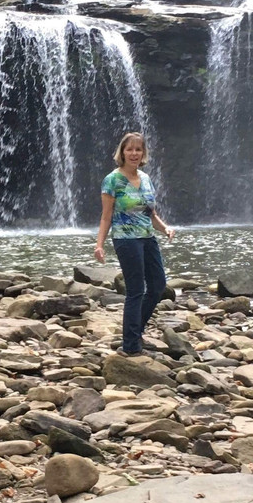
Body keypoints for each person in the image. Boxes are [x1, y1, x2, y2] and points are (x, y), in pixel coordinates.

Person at [94, 131, 175, 356]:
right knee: (136, 290)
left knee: (158, 285)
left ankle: (135, 331)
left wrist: (165, 227)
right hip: (126, 240)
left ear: (143, 153)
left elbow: (149, 212)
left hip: (148, 238)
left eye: (138, 149)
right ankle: (130, 346)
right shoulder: (112, 180)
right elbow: (106, 216)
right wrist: (99, 245)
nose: (134, 153)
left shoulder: (146, 178)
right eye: (129, 149)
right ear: (122, 152)